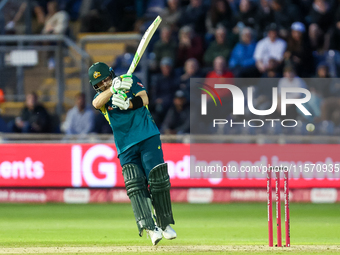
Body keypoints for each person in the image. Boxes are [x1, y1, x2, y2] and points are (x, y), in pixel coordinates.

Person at [88, 62, 176, 245]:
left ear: (111, 74)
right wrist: (112, 89)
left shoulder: (129, 80)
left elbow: (144, 98)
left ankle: (164, 222)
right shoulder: (103, 97)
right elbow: (96, 103)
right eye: (99, 84)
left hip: (147, 135)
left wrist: (129, 103)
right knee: (135, 186)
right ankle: (151, 228)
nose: (103, 84)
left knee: (158, 179)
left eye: (106, 80)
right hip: (125, 145)